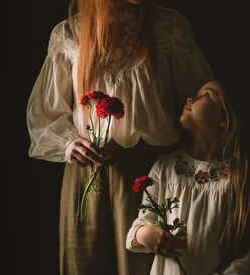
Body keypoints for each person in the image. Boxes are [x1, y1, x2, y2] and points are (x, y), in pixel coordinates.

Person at [26, 0, 213, 274]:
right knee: (85, 264)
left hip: (152, 176)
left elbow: (201, 104)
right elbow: (43, 114)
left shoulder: (169, 27)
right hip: (86, 177)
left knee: (145, 265)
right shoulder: (70, 33)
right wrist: (68, 144)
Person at [126, 80, 250, 275]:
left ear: (225, 118)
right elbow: (140, 224)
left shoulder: (241, 175)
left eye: (206, 95)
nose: (190, 98)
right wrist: (145, 234)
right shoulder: (166, 167)